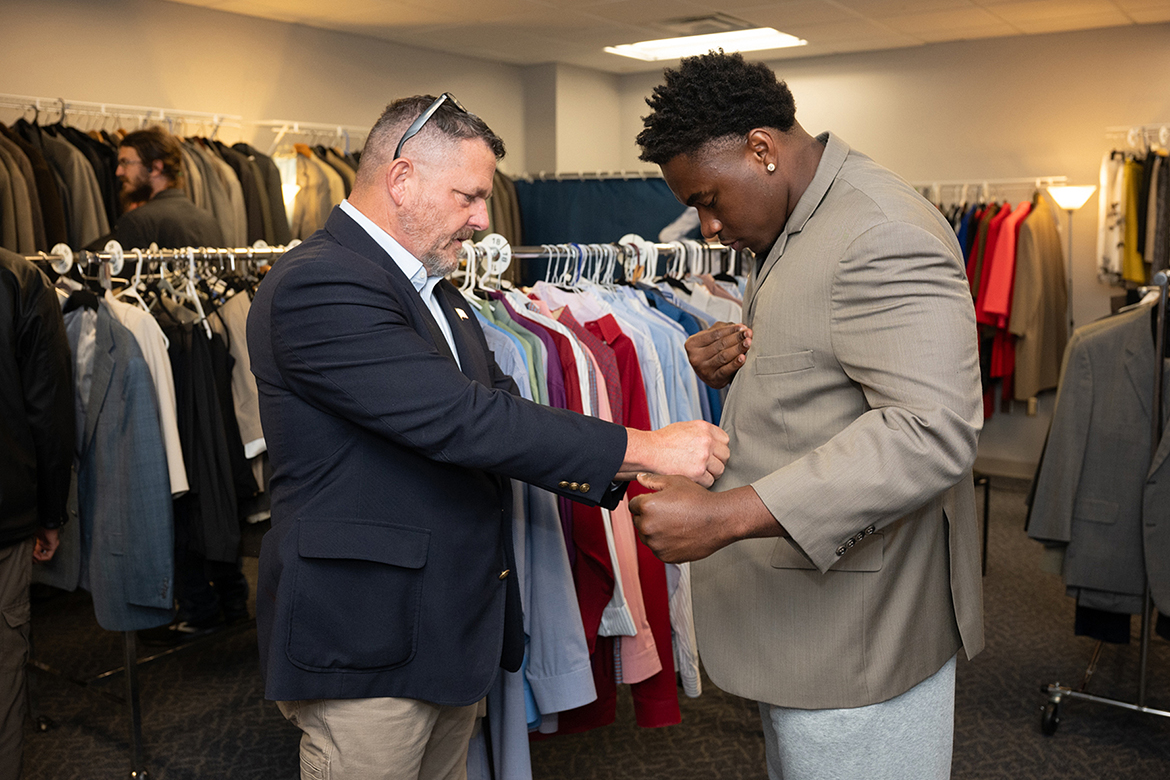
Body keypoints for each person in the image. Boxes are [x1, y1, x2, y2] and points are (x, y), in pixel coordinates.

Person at [246, 93, 729, 780]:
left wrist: (627, 480)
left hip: (447, 627)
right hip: (366, 636)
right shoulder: (318, 282)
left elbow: (503, 409)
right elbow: (461, 421)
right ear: (402, 179)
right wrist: (646, 446)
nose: (482, 219)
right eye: (470, 197)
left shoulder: (435, 289)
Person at [627, 52, 984, 780]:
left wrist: (726, 516)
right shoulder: (796, 214)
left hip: (859, 641)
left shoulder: (880, 230)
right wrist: (734, 365)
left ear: (761, 149)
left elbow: (930, 432)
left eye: (708, 198)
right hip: (805, 621)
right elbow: (833, 374)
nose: (706, 226)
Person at [0, 248, 74, 780]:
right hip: (4, 514)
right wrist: (50, 512)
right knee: (3, 669)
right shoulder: (20, 279)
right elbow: (47, 408)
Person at [95, 127, 223, 250]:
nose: (119, 172)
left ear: (156, 168)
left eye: (125, 163)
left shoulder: (137, 223)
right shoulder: (209, 222)